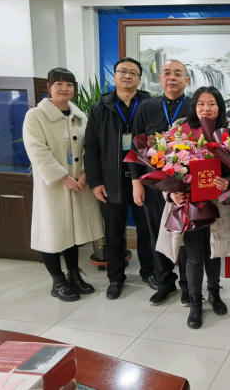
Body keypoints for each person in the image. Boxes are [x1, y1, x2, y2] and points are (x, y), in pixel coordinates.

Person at [158, 86, 230, 328]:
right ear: (194, 107)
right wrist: (172, 194)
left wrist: (229, 182)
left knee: (214, 251)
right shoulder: (180, 132)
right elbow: (165, 169)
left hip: (219, 204)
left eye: (212, 104)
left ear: (220, 107)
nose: (206, 108)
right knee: (195, 255)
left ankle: (214, 292)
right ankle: (195, 301)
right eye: (201, 104)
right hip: (190, 203)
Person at [22, 68, 103, 302]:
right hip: (54, 187)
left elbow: (90, 147)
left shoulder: (80, 116)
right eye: (58, 84)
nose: (64, 88)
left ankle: (74, 275)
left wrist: (87, 173)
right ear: (49, 87)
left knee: (72, 233)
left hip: (79, 184)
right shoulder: (36, 116)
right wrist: (62, 177)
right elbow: (37, 151)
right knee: (52, 233)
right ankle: (57, 281)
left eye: (69, 84)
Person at [84, 57, 156, 300]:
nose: (127, 76)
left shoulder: (149, 105)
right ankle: (115, 277)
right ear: (114, 76)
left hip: (145, 178)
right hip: (111, 180)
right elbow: (91, 147)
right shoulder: (99, 108)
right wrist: (95, 182)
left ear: (139, 79)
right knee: (114, 233)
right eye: (122, 71)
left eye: (133, 73)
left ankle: (149, 271)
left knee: (147, 229)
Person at [130, 60, 192, 306]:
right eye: (167, 73)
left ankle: (188, 285)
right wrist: (136, 182)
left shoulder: (194, 106)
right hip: (154, 182)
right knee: (158, 233)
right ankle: (164, 282)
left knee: (186, 235)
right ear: (160, 79)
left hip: (186, 182)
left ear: (187, 80)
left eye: (178, 73)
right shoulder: (147, 107)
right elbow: (135, 146)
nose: (172, 77)